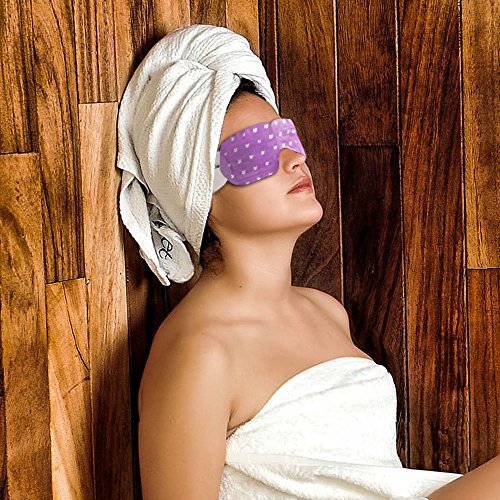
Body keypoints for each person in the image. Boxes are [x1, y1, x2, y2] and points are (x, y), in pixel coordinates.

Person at [116, 23, 499, 500]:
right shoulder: (199, 351)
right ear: (198, 196)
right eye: (254, 152)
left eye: (286, 137)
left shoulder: (325, 310)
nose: (293, 160)